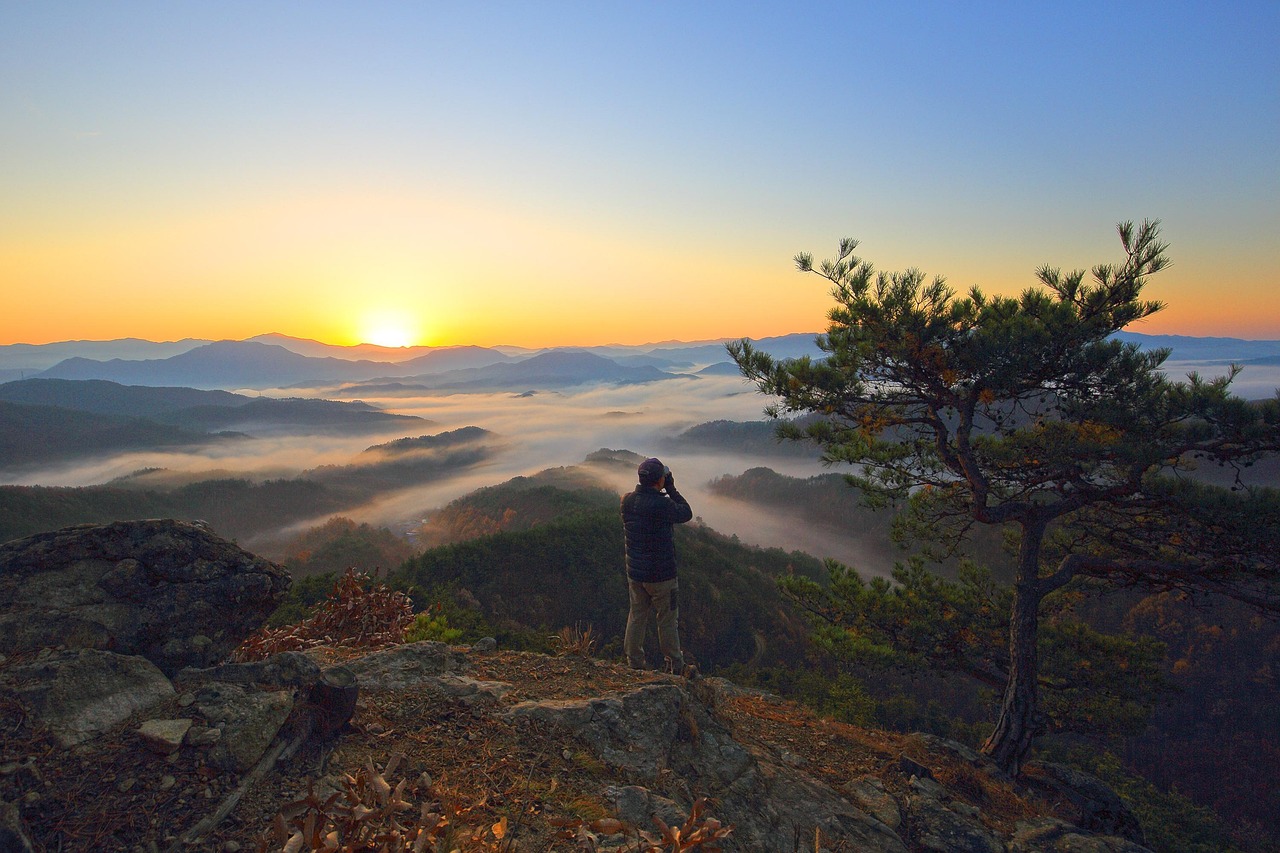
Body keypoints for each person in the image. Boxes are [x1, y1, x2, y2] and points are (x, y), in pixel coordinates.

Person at [621, 456, 694, 674]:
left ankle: (634, 663)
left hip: (636, 574)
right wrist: (671, 487)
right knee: (667, 621)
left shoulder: (627, 501)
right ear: (659, 480)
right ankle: (675, 665)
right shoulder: (662, 505)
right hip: (662, 576)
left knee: (636, 616)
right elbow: (686, 513)